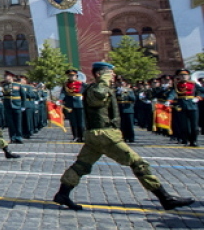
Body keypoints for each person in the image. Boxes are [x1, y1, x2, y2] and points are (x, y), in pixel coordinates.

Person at [54, 62, 195, 212]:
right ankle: (165, 198)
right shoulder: (96, 89)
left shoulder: (103, 87)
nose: (113, 76)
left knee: (81, 165)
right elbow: (99, 96)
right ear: (99, 74)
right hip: (104, 135)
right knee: (138, 163)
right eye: (109, 72)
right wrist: (103, 79)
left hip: (99, 135)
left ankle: (63, 194)